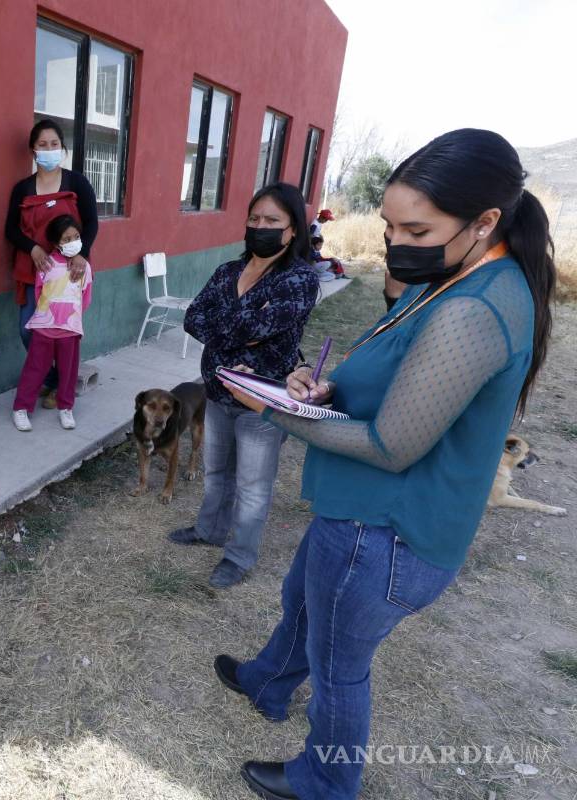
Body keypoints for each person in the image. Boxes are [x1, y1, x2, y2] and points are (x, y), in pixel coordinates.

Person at [214, 129, 555, 800]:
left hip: (387, 532)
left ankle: (327, 779)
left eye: (416, 228)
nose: (395, 241)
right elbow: (410, 379)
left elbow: (395, 444)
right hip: (361, 511)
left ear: (485, 221)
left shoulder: (475, 308)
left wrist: (276, 410)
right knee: (303, 603)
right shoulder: (461, 273)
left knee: (340, 666)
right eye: (391, 223)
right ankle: (268, 682)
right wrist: (330, 389)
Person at [169, 183, 319, 589]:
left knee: (252, 487)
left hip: (263, 402)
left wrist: (234, 326)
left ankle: (238, 557)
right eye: (254, 219)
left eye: (272, 221)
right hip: (217, 392)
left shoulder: (299, 279)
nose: (261, 227)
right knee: (217, 472)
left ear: (292, 231)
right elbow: (193, 318)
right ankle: (210, 530)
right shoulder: (228, 272)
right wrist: (244, 331)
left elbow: (259, 327)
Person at [5, 119, 99, 409]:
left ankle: (59, 388)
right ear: (33, 150)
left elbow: (92, 223)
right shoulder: (23, 188)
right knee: (27, 328)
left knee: (65, 333)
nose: (49, 149)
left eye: (54, 144)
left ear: (62, 148)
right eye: (42, 145)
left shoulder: (77, 183)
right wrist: (32, 248)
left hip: (67, 273)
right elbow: (10, 229)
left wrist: (82, 255)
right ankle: (54, 379)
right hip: (35, 270)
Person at [12, 215, 92, 432]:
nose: (73, 241)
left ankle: (66, 407)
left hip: (70, 328)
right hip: (44, 326)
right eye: (67, 239)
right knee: (35, 368)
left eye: (76, 236)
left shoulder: (84, 266)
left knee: (69, 371)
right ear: (57, 243)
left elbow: (85, 297)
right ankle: (21, 408)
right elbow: (39, 292)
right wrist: (49, 314)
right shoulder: (46, 264)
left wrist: (71, 317)